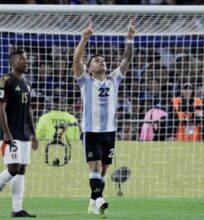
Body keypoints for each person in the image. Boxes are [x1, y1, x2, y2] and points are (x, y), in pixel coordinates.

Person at [73, 20, 135, 216]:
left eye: (102, 60)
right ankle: (99, 199)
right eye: (96, 61)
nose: (101, 61)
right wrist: (84, 38)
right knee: (95, 166)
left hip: (110, 131)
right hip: (91, 131)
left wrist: (130, 40)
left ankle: (93, 202)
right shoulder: (85, 81)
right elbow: (76, 61)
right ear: (90, 68)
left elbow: (126, 60)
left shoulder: (114, 79)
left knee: (103, 171)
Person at [0, 49, 39, 217]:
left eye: (26, 58)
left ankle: (17, 209)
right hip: (9, 133)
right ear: (13, 62)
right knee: (13, 168)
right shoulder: (5, 81)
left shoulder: (27, 83)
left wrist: (34, 133)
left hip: (23, 134)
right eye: (22, 59)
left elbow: (29, 108)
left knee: (21, 170)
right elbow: (0, 108)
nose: (26, 61)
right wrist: (6, 133)